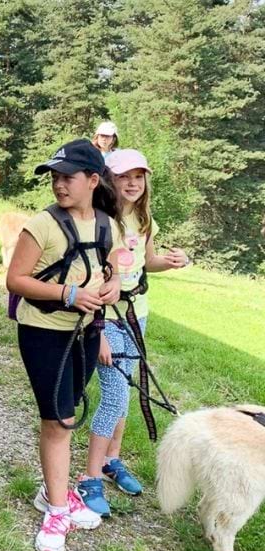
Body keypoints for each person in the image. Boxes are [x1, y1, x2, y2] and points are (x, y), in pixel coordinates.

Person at [6, 139, 122, 551]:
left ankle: (52, 491)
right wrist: (68, 294)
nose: (58, 185)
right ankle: (56, 507)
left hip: (88, 332)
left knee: (66, 416)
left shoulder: (109, 223)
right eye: (54, 177)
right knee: (58, 420)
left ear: (93, 180)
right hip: (44, 331)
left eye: (66, 177)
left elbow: (112, 268)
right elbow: (15, 280)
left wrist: (112, 286)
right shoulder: (41, 225)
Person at [77, 149, 190, 516]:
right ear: (109, 179)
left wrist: (171, 263)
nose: (132, 183)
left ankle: (112, 459)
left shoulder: (144, 219)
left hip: (136, 314)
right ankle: (90, 477)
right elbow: (90, 275)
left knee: (123, 392)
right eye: (125, 176)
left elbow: (146, 262)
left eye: (138, 177)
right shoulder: (99, 221)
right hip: (105, 317)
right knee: (114, 395)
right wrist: (98, 331)